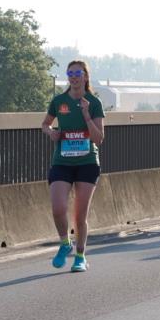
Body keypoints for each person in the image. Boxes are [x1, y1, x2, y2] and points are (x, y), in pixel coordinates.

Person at [41, 60, 106, 273]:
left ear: (85, 77)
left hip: (87, 163)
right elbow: (45, 123)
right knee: (58, 208)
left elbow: (98, 139)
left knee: (79, 215)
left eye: (78, 73)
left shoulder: (94, 103)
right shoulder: (59, 101)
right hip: (62, 161)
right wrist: (51, 132)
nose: (74, 76)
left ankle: (80, 255)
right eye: (70, 73)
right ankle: (64, 243)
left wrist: (87, 114)